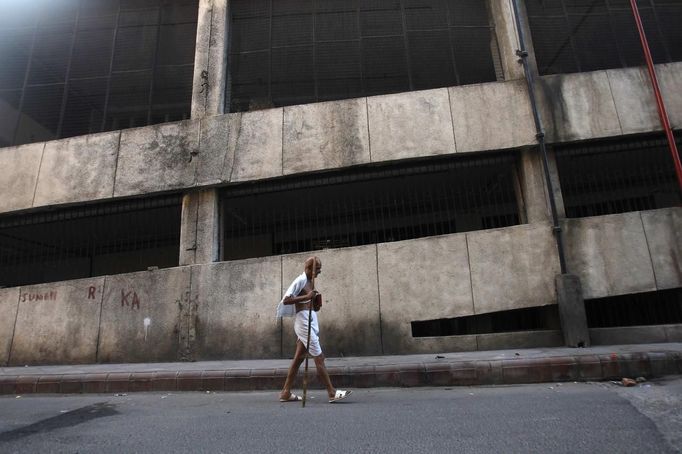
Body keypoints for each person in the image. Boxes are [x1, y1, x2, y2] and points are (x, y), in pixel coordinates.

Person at [276, 256, 352, 403]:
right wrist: (307, 296)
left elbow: (308, 303)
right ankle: (332, 392)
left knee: (298, 359)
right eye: (317, 269)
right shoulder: (300, 281)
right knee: (319, 357)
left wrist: (314, 303)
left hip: (309, 321)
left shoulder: (310, 282)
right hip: (304, 324)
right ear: (309, 269)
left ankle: (285, 392)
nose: (319, 272)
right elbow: (286, 300)